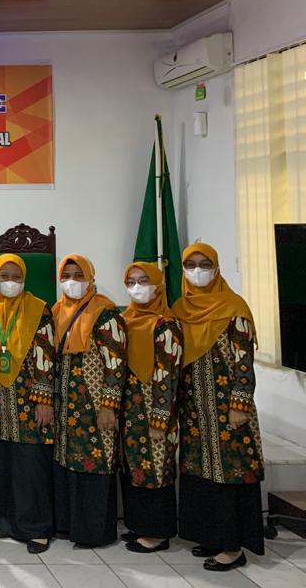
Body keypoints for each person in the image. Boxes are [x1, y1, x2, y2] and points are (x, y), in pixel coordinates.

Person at [173, 243, 265, 571]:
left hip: (227, 410)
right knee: (200, 471)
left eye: (204, 264)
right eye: (191, 265)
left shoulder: (234, 308)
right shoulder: (180, 309)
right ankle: (210, 536)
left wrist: (240, 403)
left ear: (216, 268)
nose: (197, 271)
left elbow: (244, 361)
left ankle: (232, 547)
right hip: (194, 409)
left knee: (229, 472)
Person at [0, 254, 56, 554]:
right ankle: (6, 523)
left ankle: (37, 529)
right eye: (3, 276)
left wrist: (44, 399)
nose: (10, 282)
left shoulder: (39, 309)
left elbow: (46, 355)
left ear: (24, 279)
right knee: (1, 464)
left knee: (31, 466)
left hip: (29, 402)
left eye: (16, 276)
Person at [52, 254, 127, 548]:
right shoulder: (58, 311)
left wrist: (109, 405)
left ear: (91, 278)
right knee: (68, 463)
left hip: (94, 406)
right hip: (66, 407)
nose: (72, 281)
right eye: (67, 275)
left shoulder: (105, 314)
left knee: (94, 464)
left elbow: (116, 364)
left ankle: (94, 532)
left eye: (79, 275)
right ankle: (68, 525)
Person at [119, 262, 183, 554]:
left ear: (158, 286)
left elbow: (169, 375)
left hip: (155, 408)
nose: (137, 287)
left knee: (156, 468)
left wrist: (160, 418)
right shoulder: (126, 320)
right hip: (130, 410)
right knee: (134, 468)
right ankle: (139, 525)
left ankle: (157, 533)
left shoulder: (166, 325)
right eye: (131, 282)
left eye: (144, 281)